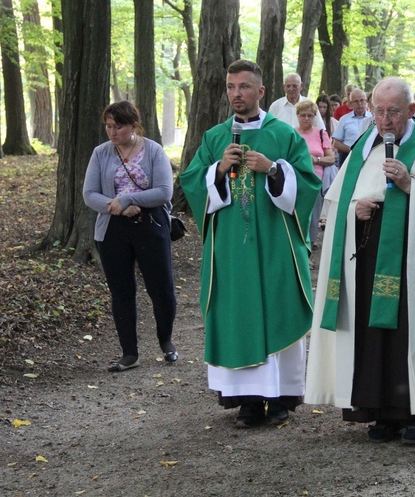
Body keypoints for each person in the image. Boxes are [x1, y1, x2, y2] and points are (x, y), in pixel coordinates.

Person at [306, 77, 415, 445]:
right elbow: (339, 207)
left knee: (412, 334)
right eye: (378, 111)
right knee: (373, 335)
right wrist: (357, 209)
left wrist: (409, 186)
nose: (384, 120)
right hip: (368, 262)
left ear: (412, 111)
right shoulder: (363, 149)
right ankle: (379, 412)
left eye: (393, 112)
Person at [180, 60, 321, 428]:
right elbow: (193, 182)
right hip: (231, 249)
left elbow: (308, 185)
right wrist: (217, 171)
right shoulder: (214, 138)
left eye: (244, 87)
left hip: (274, 243)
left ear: (260, 92)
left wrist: (273, 169)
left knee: (275, 307)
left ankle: (278, 400)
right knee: (236, 312)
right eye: (230, 87)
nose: (236, 94)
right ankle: (245, 400)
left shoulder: (284, 135)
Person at [83, 101, 177, 372]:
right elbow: (90, 194)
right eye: (108, 126)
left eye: (118, 126)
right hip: (112, 228)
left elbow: (163, 192)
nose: (112, 132)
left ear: (134, 126)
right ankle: (129, 353)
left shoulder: (154, 151)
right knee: (121, 292)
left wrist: (128, 198)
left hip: (151, 224)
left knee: (161, 289)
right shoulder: (101, 153)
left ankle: (166, 341)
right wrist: (117, 206)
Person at [295, 100, 336, 251]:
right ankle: (297, 249)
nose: (306, 118)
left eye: (310, 115)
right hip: (297, 182)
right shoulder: (292, 133)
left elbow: (331, 158)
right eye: (303, 115)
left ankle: (309, 251)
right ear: (297, 116)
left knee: (313, 217)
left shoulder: (321, 133)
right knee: (298, 216)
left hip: (316, 182)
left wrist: (316, 160)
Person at [331, 88, 370, 166]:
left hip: (369, 157)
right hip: (348, 156)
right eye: (356, 101)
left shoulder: (373, 118)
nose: (360, 103)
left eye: (362, 100)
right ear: (351, 104)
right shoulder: (344, 119)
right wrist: (352, 150)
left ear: (366, 102)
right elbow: (336, 143)